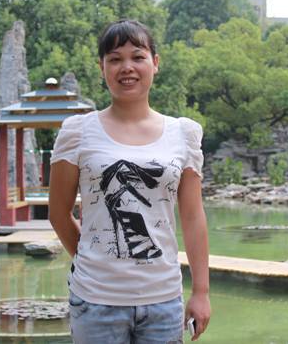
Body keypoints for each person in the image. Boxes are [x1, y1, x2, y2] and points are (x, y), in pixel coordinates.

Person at [49, 19, 210, 343]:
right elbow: (58, 213)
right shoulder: (78, 132)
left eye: (137, 56)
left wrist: (201, 292)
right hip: (95, 302)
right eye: (115, 59)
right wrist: (90, 260)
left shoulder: (183, 134)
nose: (127, 67)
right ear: (102, 67)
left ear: (155, 63)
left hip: (163, 300)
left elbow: (193, 217)